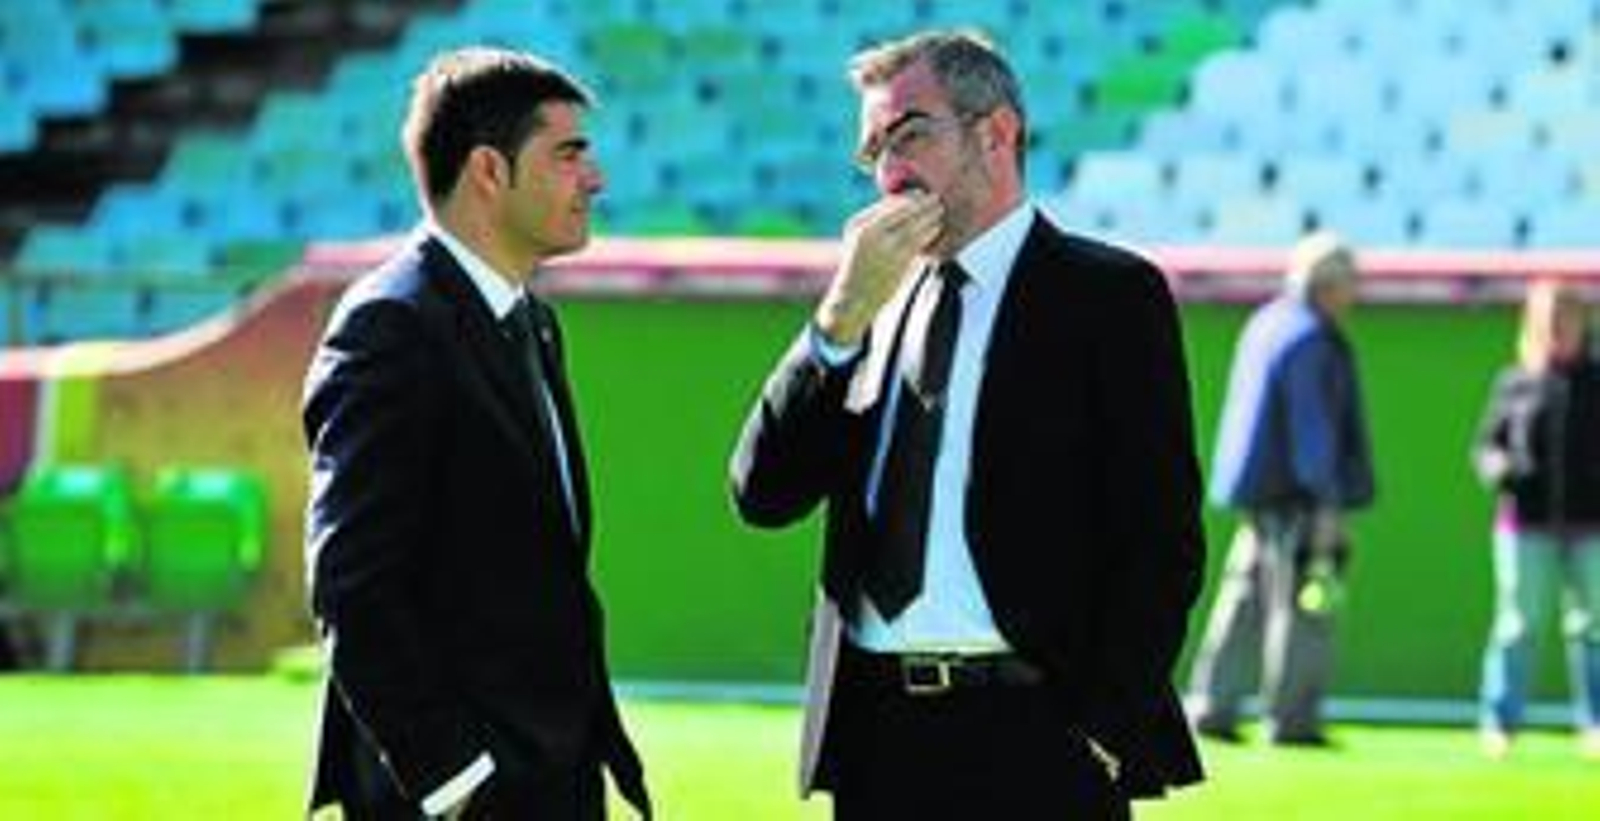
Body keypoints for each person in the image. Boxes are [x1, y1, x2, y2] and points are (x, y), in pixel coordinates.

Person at [729, 29, 1206, 818]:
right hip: (877, 737)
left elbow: (1161, 540)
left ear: (996, 133)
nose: (889, 173)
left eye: (909, 134)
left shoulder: (1109, 295)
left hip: (1041, 736)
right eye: (873, 150)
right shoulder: (871, 299)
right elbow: (763, 493)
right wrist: (838, 321)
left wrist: (1103, 730)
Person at [301, 47, 649, 819]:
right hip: (454, 792)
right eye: (568, 154)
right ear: (489, 171)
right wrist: (454, 780)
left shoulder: (533, 320)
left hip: (548, 776)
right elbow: (353, 587)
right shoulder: (391, 325)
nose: (594, 179)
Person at [1185, 231, 1375, 747]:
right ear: (1328, 284)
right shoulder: (1313, 338)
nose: (1356, 294)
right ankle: (1292, 718)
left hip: (1256, 494)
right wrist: (1330, 505)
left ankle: (1210, 706)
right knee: (1303, 609)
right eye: (1350, 282)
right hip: (1299, 498)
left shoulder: (1268, 323)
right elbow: (1314, 433)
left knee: (1243, 602)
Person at [1471, 279, 1600, 760]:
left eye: (1566, 317)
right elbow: (1485, 448)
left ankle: (1595, 724)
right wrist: (1502, 469)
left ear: (1583, 323)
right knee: (1516, 625)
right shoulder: (1514, 382)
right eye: (1548, 319)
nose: (1557, 328)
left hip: (1591, 525)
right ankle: (1499, 722)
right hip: (1525, 526)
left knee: (1593, 627)